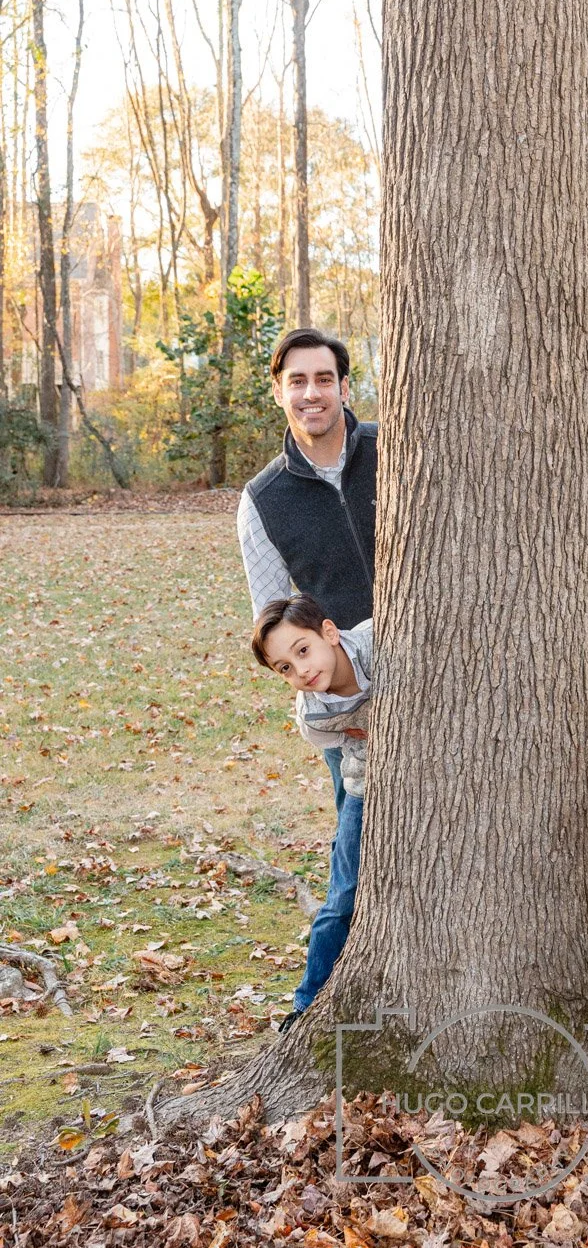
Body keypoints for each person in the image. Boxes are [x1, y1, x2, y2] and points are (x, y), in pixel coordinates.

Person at [237, 325, 376, 820]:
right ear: (279, 392)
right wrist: (325, 694)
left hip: (437, 664)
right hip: (346, 692)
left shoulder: (395, 450)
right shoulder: (262, 498)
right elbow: (271, 624)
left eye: (323, 378)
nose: (311, 393)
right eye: (297, 381)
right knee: (361, 821)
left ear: (343, 386)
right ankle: (351, 902)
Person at [251, 594, 373, 1021]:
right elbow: (336, 753)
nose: (301, 670)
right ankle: (307, 1002)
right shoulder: (314, 717)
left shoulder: (380, 641)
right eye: (285, 667)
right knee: (343, 894)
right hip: (365, 785)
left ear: (329, 632)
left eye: (303, 650)